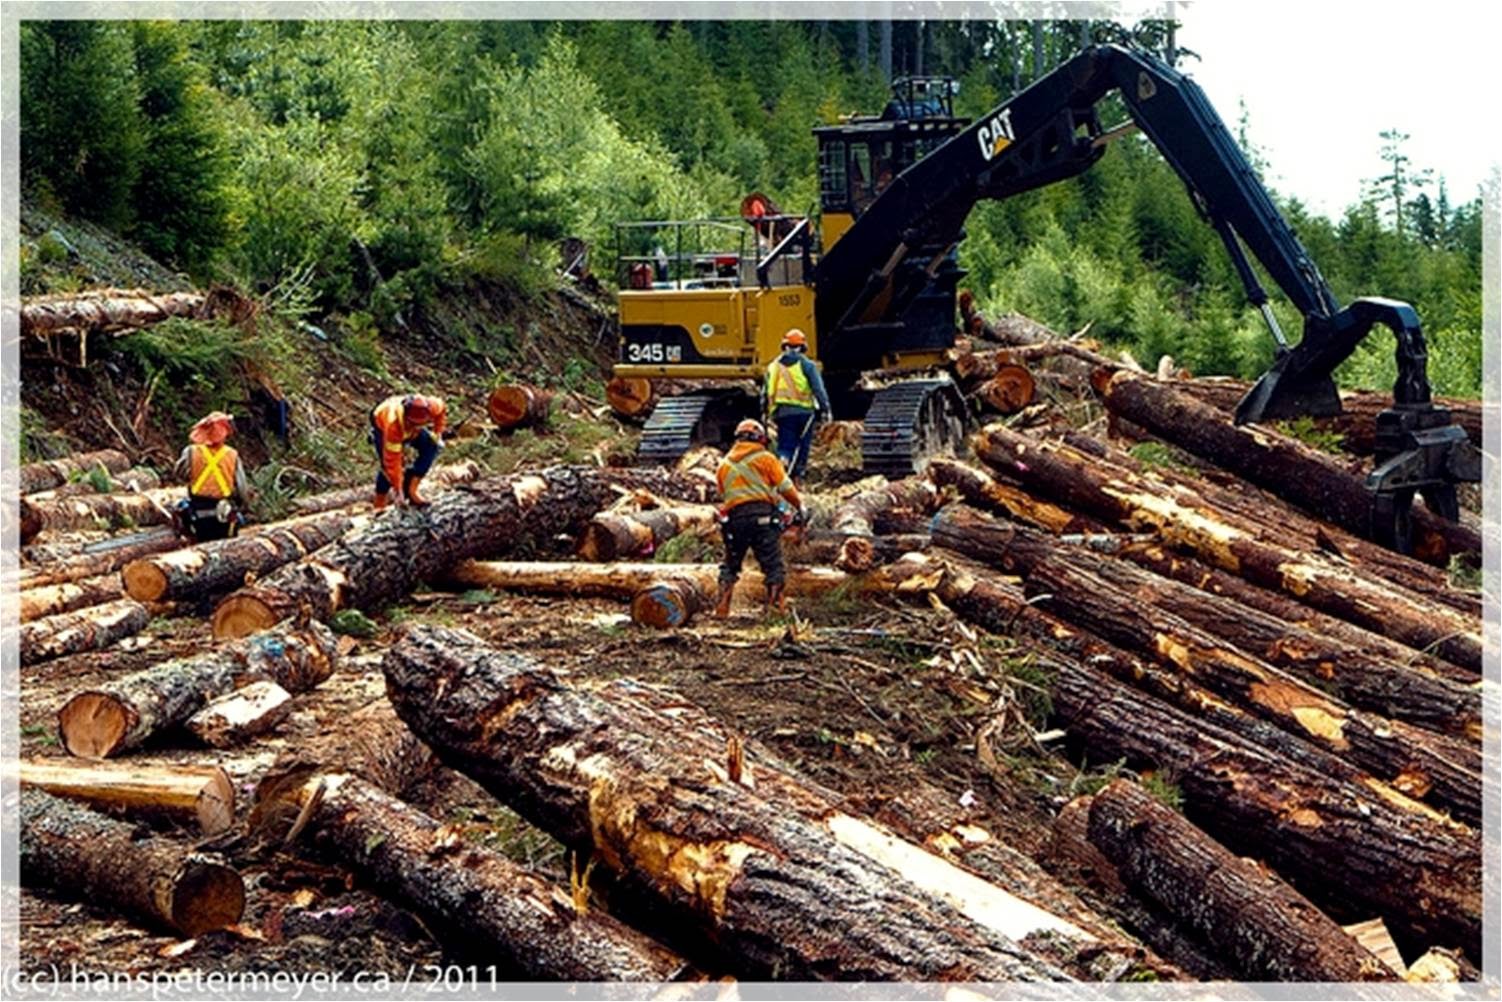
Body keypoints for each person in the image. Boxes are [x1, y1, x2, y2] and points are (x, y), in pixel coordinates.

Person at [715, 419, 804, 617]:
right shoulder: (766, 459)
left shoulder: (724, 465)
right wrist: (799, 506)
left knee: (730, 565)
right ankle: (774, 609)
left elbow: (723, 493)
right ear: (760, 438)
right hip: (762, 517)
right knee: (773, 565)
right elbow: (786, 488)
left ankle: (722, 608)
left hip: (734, 521)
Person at [762, 329, 831, 484]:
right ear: (802, 347)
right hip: (805, 413)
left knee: (785, 444)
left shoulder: (773, 367)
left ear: (784, 345)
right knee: (803, 444)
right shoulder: (807, 365)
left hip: (782, 413)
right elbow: (818, 389)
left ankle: (783, 466)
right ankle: (799, 475)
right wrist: (826, 409)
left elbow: (765, 392)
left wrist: (765, 412)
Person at [174, 411, 252, 541]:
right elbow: (241, 487)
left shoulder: (191, 451)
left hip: (197, 510)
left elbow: (179, 473)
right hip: (223, 511)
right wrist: (244, 506)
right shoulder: (232, 455)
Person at [370, 393, 447, 509]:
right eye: (413, 424)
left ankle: (412, 489)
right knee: (387, 468)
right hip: (382, 425)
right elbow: (392, 462)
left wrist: (438, 432)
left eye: (420, 424)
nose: (416, 427)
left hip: (406, 427)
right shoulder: (393, 425)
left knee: (431, 446)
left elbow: (441, 410)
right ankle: (379, 502)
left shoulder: (432, 406)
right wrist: (398, 490)